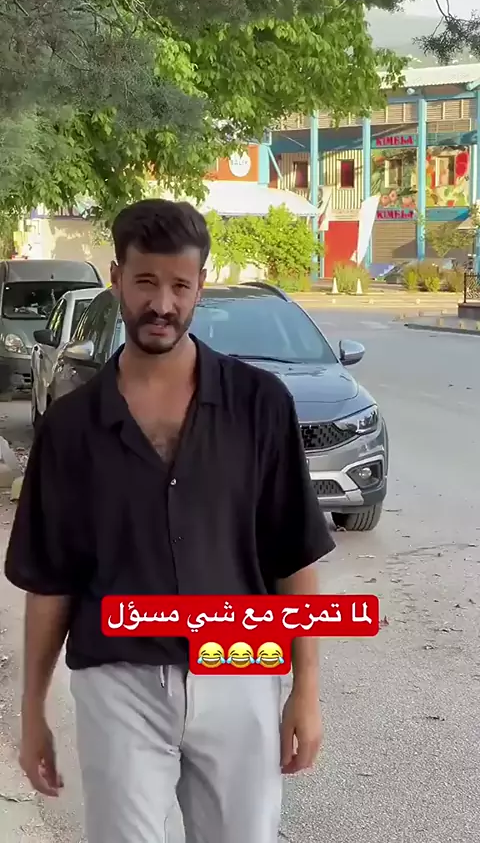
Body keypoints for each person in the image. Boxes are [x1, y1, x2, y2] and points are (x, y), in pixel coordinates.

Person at [4, 199, 335, 843]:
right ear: (116, 279)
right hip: (117, 681)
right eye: (146, 282)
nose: (162, 304)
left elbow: (293, 556)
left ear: (199, 286)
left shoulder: (260, 406)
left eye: (180, 286)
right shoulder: (72, 427)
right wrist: (33, 710)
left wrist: (306, 691)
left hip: (240, 667)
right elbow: (50, 581)